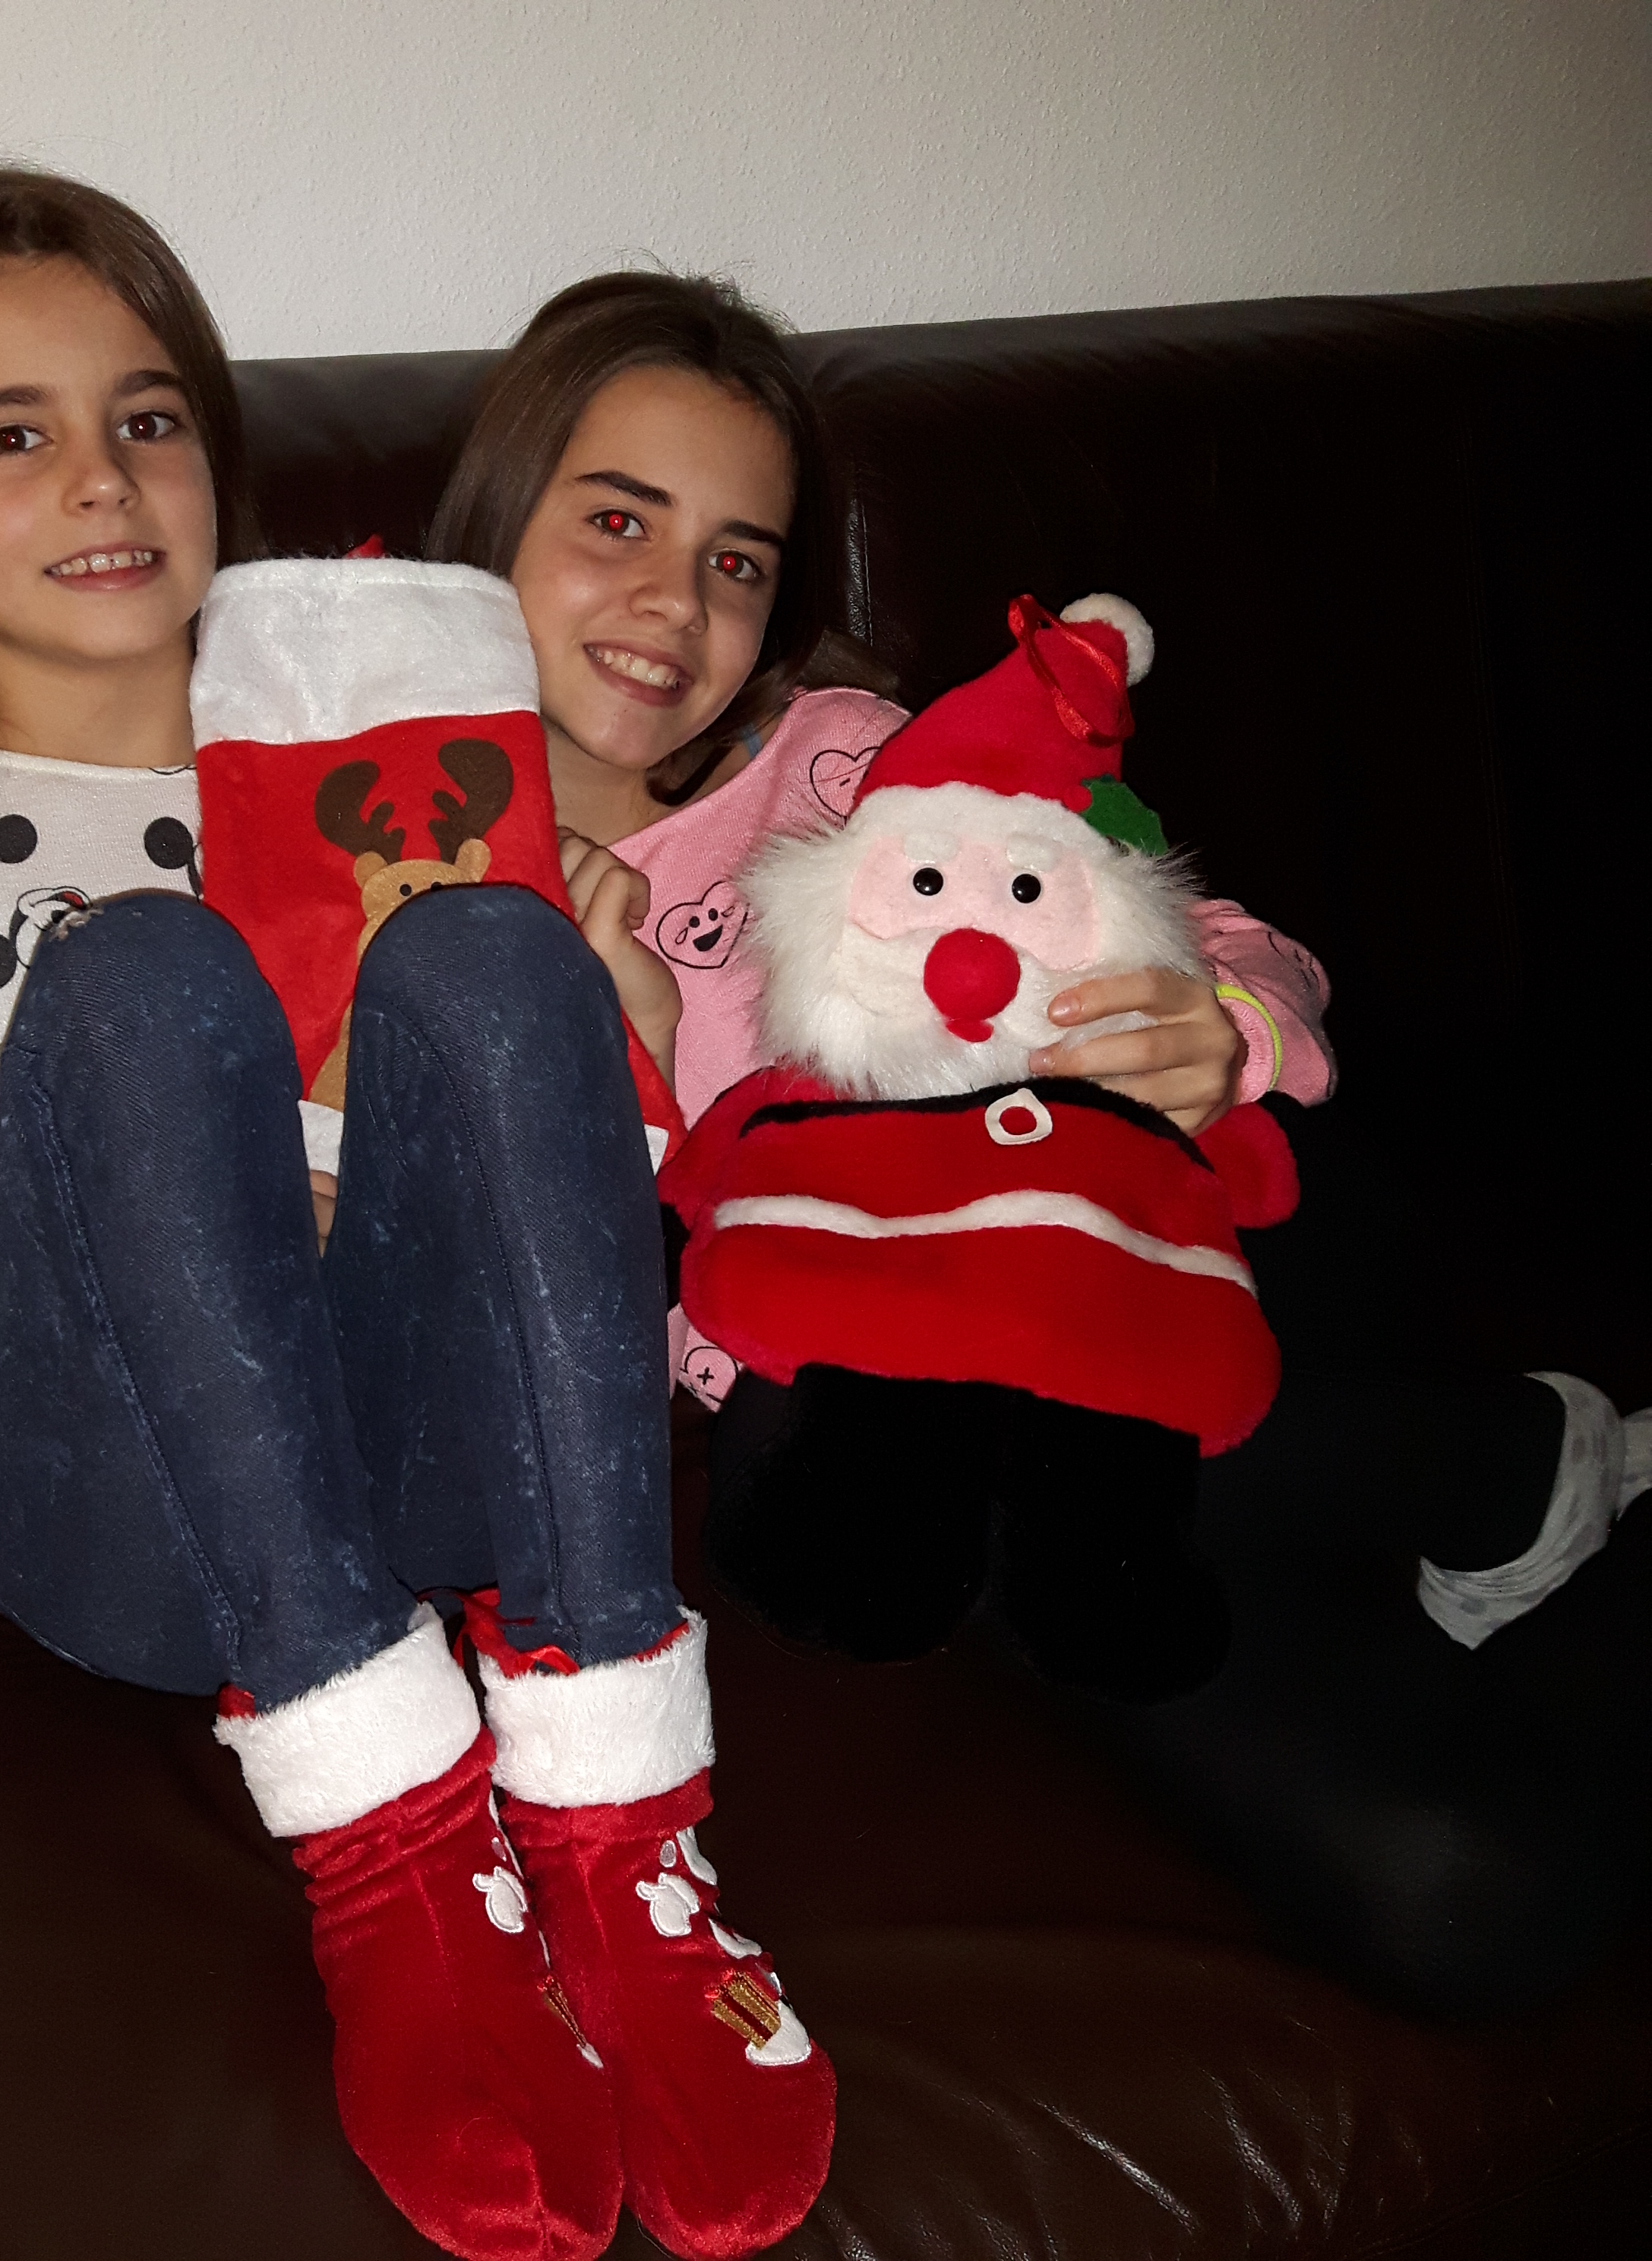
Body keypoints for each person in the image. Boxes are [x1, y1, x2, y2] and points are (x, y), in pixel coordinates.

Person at [0, 166, 837, 2261]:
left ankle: (615, 1831)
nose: (103, 477)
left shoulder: (385, 769)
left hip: (419, 1465)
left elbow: (561, 1235)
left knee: (489, 950)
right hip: (111, 1501)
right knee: (145, 982)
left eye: (151, 417)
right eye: (11, 432)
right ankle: (393, 1840)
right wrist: (166, 1206)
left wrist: (615, 1036)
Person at [430, 270, 1650, 2013]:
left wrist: (1221, 1030)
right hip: (959, 1440)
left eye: (737, 560)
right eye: (617, 521)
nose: (675, 603)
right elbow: (576, 1360)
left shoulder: (854, 765)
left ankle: (1492, 1463)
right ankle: (1506, 1472)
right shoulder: (398, 883)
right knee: (1471, 1897)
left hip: (1199, 1239)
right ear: (492, 528)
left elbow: (1232, 937)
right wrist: (615, 1068)